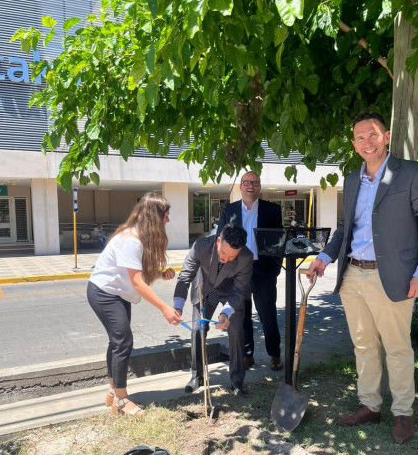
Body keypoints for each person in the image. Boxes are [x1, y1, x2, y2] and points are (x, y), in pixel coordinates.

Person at [308, 112, 418, 443]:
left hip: (394, 278)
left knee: (397, 347)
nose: (367, 142)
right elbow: (347, 228)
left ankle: (403, 412)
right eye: (360, 138)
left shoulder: (413, 173)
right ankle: (369, 405)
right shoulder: (351, 179)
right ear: (354, 144)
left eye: (372, 134)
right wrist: (323, 257)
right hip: (353, 276)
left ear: (386, 136)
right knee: (363, 345)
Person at [87, 193, 182, 416]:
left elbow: (135, 274)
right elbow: (137, 282)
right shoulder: (131, 241)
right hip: (104, 293)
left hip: (118, 293)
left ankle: (112, 392)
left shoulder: (139, 237)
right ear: (154, 217)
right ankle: (121, 399)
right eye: (166, 216)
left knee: (117, 341)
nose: (168, 220)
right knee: (123, 341)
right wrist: (165, 308)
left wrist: (159, 274)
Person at [173, 223, 253, 395]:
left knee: (236, 331)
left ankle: (237, 381)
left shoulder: (246, 257)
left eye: (233, 257)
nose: (227, 259)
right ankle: (197, 376)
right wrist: (177, 307)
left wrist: (225, 313)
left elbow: (240, 292)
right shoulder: (201, 246)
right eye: (224, 253)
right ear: (218, 241)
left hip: (230, 293)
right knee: (197, 329)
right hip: (206, 289)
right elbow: (185, 276)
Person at [217, 172, 283, 370]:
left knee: (267, 314)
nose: (250, 186)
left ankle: (274, 354)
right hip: (238, 272)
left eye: (255, 183)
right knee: (241, 314)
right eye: (247, 183)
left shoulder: (272, 210)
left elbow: (278, 242)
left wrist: (274, 269)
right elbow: (221, 240)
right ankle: (247, 354)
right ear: (240, 186)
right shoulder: (230, 210)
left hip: (263, 270)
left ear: (259, 186)